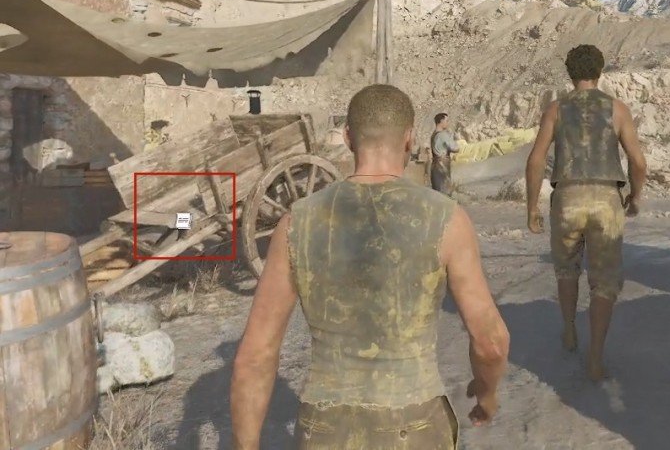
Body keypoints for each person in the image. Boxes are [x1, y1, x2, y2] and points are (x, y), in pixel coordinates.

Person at [230, 85, 510, 450]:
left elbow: (254, 358)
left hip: (324, 431)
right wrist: (487, 395)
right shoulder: (446, 219)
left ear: (348, 138)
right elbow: (491, 341)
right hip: (416, 425)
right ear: (409, 139)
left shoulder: (296, 223)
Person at [524, 44, 647, 382]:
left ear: (569, 72)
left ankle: (568, 329)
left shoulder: (556, 109)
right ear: (600, 71)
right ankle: (595, 359)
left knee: (566, 270)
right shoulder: (617, 109)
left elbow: (535, 160)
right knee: (604, 282)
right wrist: (635, 196)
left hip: (567, 196)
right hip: (606, 199)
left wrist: (532, 206)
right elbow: (637, 162)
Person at [430, 112, 459, 195]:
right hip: (442, 167)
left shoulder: (433, 134)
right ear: (441, 121)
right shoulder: (443, 135)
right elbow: (455, 148)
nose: (448, 123)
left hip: (435, 167)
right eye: (446, 121)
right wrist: (452, 137)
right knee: (445, 194)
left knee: (437, 194)